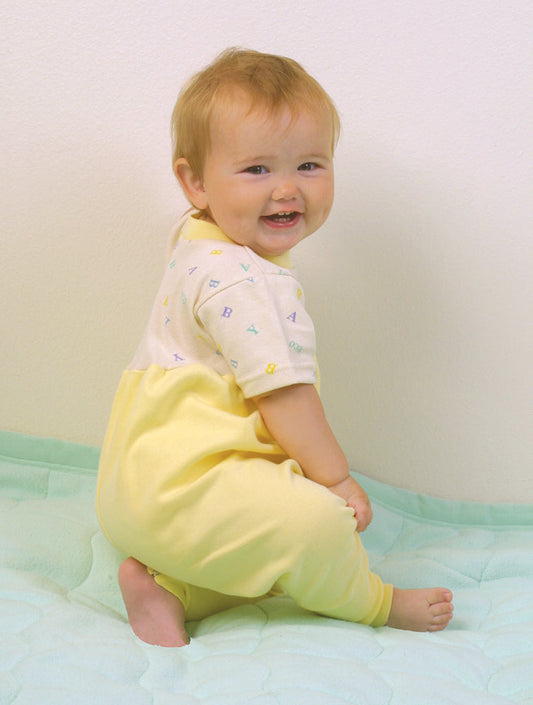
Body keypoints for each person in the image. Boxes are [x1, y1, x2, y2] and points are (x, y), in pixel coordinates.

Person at [96, 48, 453, 647]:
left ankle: (171, 589)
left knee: (268, 553)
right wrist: (336, 481)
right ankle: (376, 601)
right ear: (196, 182)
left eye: (309, 165)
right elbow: (285, 396)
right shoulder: (246, 283)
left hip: (139, 489)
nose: (287, 189)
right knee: (317, 525)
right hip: (188, 489)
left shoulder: (198, 240)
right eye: (257, 169)